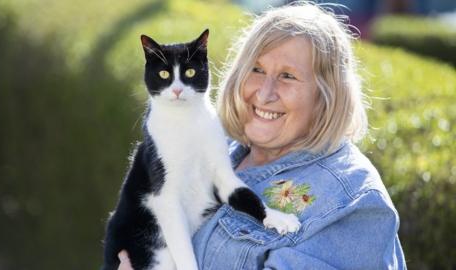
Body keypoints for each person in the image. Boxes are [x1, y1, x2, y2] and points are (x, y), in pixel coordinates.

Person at [118, 2, 406, 269]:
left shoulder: (355, 204)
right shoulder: (224, 149)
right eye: (256, 69)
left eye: (288, 76)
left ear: (328, 95)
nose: (264, 93)